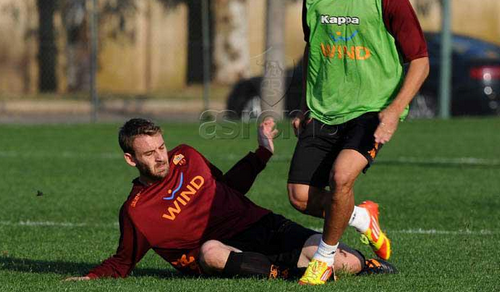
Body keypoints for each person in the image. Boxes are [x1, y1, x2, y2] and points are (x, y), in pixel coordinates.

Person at [64, 117, 396, 282]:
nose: (161, 157)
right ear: (130, 159)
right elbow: (123, 262)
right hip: (226, 252)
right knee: (210, 251)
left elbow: (228, 186)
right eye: (149, 153)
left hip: (261, 224)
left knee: (340, 259)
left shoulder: (187, 156)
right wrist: (89, 278)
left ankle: (367, 263)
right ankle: (285, 274)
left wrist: (263, 152)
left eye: (161, 147)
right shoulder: (137, 212)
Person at [288, 0, 429, 285]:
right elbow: (313, 49)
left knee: (341, 177)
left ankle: (324, 258)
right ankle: (362, 218)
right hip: (323, 109)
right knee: (299, 197)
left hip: (371, 110)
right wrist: (304, 104)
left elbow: (420, 61)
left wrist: (394, 111)